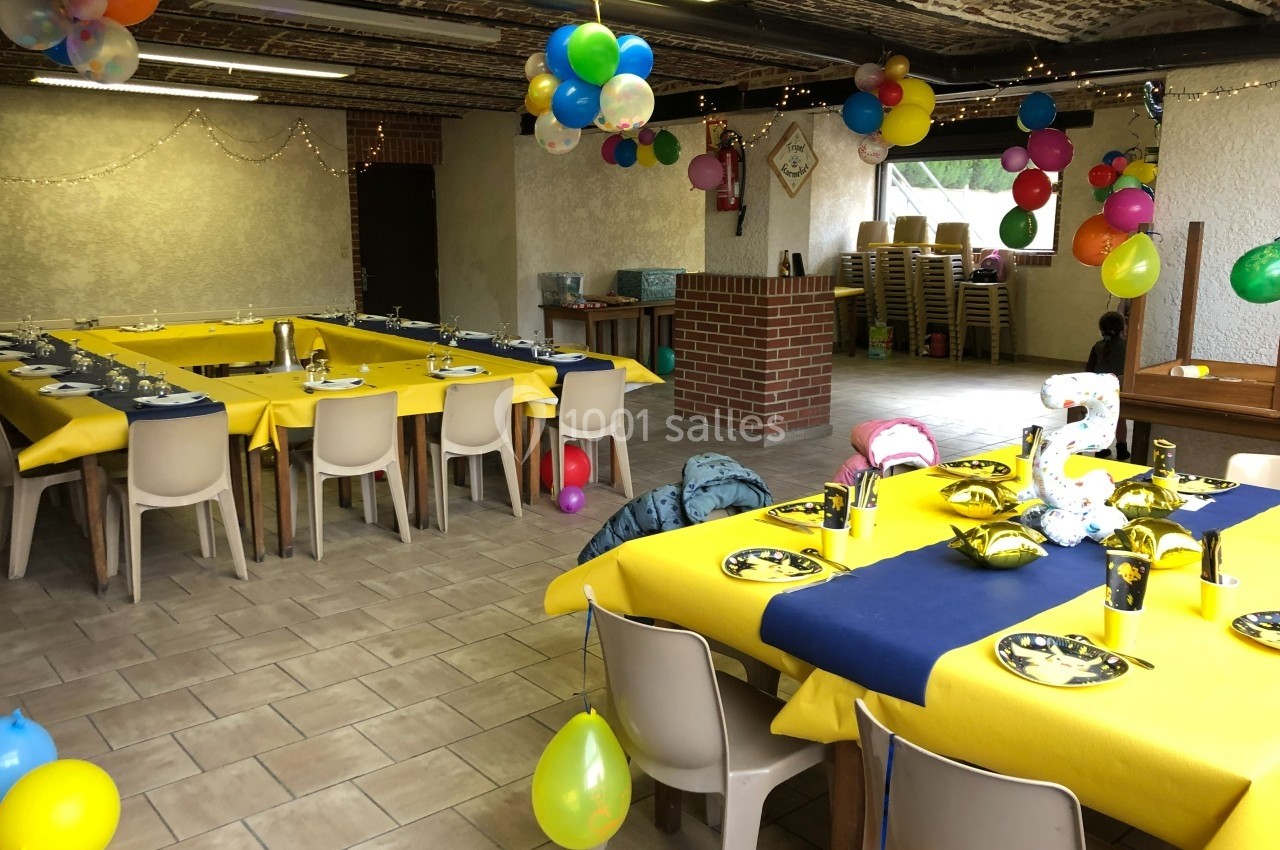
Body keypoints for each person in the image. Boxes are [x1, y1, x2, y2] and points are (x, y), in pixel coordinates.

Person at [1086, 310, 1129, 460]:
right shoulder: (1128, 347)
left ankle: (1101, 448)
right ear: (1123, 328)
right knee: (1120, 418)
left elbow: (1089, 370)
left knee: (1100, 418)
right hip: (1118, 390)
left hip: (1099, 390)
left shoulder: (1097, 346)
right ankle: (1122, 448)